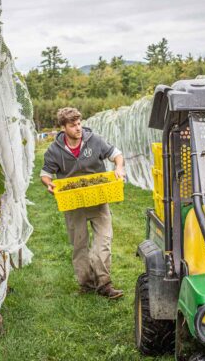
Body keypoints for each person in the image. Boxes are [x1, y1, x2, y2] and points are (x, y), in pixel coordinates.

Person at [40, 107, 125, 299]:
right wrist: (49, 184)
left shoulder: (94, 140)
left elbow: (116, 154)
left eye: (79, 123)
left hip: (98, 198)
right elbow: (45, 173)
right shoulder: (54, 150)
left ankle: (104, 284)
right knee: (79, 245)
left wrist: (119, 167)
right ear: (63, 127)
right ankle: (86, 283)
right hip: (73, 202)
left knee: (103, 242)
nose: (78, 128)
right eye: (73, 125)